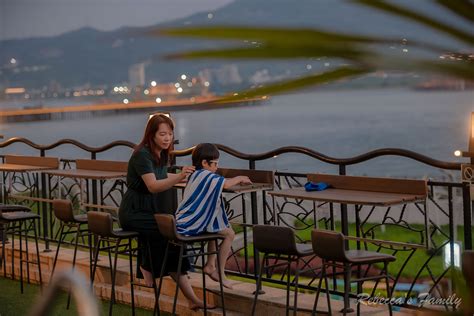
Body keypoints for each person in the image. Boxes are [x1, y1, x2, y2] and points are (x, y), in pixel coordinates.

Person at [118, 113, 206, 310]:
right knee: (171, 235)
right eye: (163, 134)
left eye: (170, 134)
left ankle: (148, 266)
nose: (167, 138)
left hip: (148, 211)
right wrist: (179, 176)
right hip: (133, 213)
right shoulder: (142, 154)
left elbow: (160, 174)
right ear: (152, 135)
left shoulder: (158, 154)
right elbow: (153, 185)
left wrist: (188, 177)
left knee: (170, 237)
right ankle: (148, 267)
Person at [175, 143, 252, 289]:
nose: (216, 168)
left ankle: (210, 265)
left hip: (181, 220)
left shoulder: (195, 175)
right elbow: (227, 184)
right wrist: (240, 177)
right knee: (229, 234)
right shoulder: (207, 175)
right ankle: (220, 273)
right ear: (204, 163)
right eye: (215, 164)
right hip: (191, 224)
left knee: (215, 227)